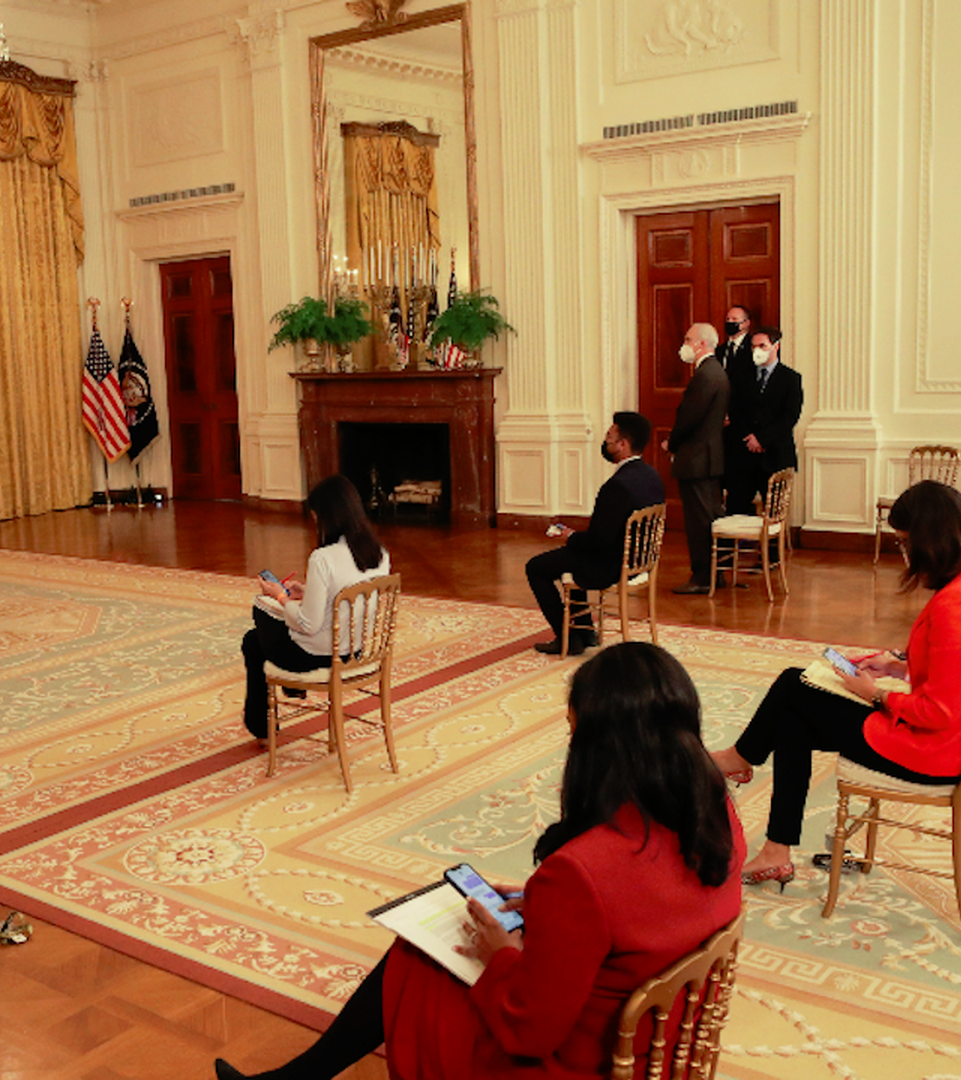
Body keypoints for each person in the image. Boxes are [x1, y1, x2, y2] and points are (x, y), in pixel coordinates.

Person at [215, 642, 744, 1080]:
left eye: (572, 730)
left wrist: (502, 953)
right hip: (663, 1045)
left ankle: (297, 1078)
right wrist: (543, 905)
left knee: (416, 955)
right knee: (440, 940)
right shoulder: (714, 812)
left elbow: (529, 1029)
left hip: (575, 1063)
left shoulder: (586, 870)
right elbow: (634, 912)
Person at [711, 482, 961, 888]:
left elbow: (937, 712)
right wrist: (898, 665)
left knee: (793, 686)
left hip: (934, 751)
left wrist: (874, 694)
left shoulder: (958, 604)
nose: (905, 553)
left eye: (905, 542)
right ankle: (776, 851)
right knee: (791, 720)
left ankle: (740, 759)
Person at [240, 475, 391, 740]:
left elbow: (308, 625)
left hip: (317, 655)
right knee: (256, 638)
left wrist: (281, 597)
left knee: (255, 631)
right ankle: (282, 699)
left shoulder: (323, 558)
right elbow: (345, 597)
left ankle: (264, 723)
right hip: (354, 650)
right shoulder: (379, 553)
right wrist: (307, 592)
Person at [526, 412, 665, 656]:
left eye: (609, 437)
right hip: (639, 561)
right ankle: (585, 631)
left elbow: (599, 541)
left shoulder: (617, 486)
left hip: (611, 565)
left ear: (622, 444)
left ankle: (568, 637)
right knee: (572, 553)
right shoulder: (651, 476)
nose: (606, 441)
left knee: (536, 567)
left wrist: (569, 535)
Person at [665, 323, 729, 595]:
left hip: (697, 458)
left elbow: (688, 419)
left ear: (701, 344)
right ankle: (717, 574)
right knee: (709, 516)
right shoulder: (717, 372)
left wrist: (672, 442)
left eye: (688, 339)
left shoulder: (705, 375)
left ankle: (703, 576)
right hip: (709, 457)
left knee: (699, 521)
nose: (684, 344)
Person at [721, 327, 802, 518]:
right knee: (735, 509)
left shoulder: (790, 379)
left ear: (776, 346)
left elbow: (789, 416)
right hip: (742, 455)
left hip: (775, 455)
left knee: (774, 514)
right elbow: (735, 410)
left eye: (762, 346)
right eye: (754, 346)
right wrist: (748, 437)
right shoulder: (740, 376)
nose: (757, 350)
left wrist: (762, 440)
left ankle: (771, 548)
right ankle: (736, 547)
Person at [720, 304, 755, 371]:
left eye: (734, 319)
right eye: (728, 319)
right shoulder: (721, 349)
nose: (730, 322)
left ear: (746, 323)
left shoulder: (752, 346)